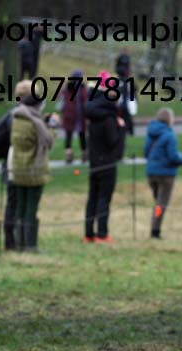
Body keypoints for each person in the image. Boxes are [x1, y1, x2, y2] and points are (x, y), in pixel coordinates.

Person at [7, 80, 58, 252]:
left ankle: (19, 241)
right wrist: (51, 126)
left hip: (18, 168)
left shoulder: (17, 118)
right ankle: (30, 244)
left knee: (20, 207)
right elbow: (47, 141)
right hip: (34, 170)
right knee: (31, 209)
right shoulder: (36, 123)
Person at [84, 71, 125, 243]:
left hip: (94, 160)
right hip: (107, 161)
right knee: (103, 198)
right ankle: (102, 233)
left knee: (92, 197)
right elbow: (112, 141)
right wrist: (121, 128)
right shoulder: (108, 117)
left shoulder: (93, 114)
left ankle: (88, 233)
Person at [144, 108, 182, 239]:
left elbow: (146, 152)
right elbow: (173, 157)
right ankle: (155, 231)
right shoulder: (169, 135)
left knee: (157, 202)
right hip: (165, 175)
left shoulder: (151, 133)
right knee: (161, 204)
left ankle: (155, 226)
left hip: (151, 173)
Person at [59, 69, 87, 164]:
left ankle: (69, 155)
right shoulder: (83, 89)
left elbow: (60, 101)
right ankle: (84, 154)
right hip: (80, 115)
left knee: (69, 135)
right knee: (81, 135)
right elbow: (86, 102)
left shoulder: (67, 88)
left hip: (69, 115)